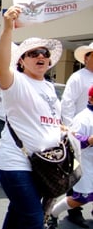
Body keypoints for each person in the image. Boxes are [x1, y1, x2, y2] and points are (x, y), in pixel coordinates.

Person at [0, 5, 63, 229]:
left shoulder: (50, 88)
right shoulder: (16, 82)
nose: (40, 56)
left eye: (44, 53)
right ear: (21, 61)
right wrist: (7, 29)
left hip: (44, 165)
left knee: (16, 214)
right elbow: (1, 67)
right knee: (33, 220)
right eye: (33, 53)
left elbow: (50, 119)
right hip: (16, 163)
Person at [46, 85, 93, 229]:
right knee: (82, 198)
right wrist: (89, 140)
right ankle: (53, 213)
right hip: (85, 162)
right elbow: (73, 141)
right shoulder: (84, 118)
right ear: (91, 99)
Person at [60, 41, 93, 227]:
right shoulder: (78, 77)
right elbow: (67, 102)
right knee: (77, 172)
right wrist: (70, 130)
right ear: (86, 57)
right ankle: (73, 209)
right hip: (81, 130)